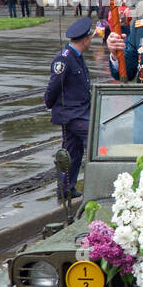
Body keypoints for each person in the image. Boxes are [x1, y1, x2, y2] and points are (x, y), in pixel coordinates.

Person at [45, 17, 94, 198]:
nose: (91, 41)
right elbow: (54, 84)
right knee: (96, 136)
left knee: (73, 151)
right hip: (71, 114)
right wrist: (48, 103)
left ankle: (65, 189)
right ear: (85, 40)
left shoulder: (76, 57)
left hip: (78, 111)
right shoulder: (64, 58)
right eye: (90, 38)